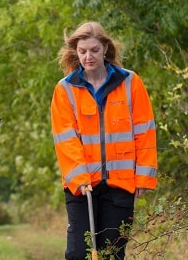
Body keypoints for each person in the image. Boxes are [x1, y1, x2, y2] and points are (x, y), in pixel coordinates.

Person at [50, 21, 158, 260]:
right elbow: (65, 139)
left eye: (94, 50)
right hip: (82, 187)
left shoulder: (131, 82)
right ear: (75, 53)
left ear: (106, 49)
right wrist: (79, 178)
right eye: (83, 51)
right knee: (79, 253)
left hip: (121, 185)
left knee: (112, 253)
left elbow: (145, 131)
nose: (88, 56)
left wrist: (143, 176)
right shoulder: (65, 89)